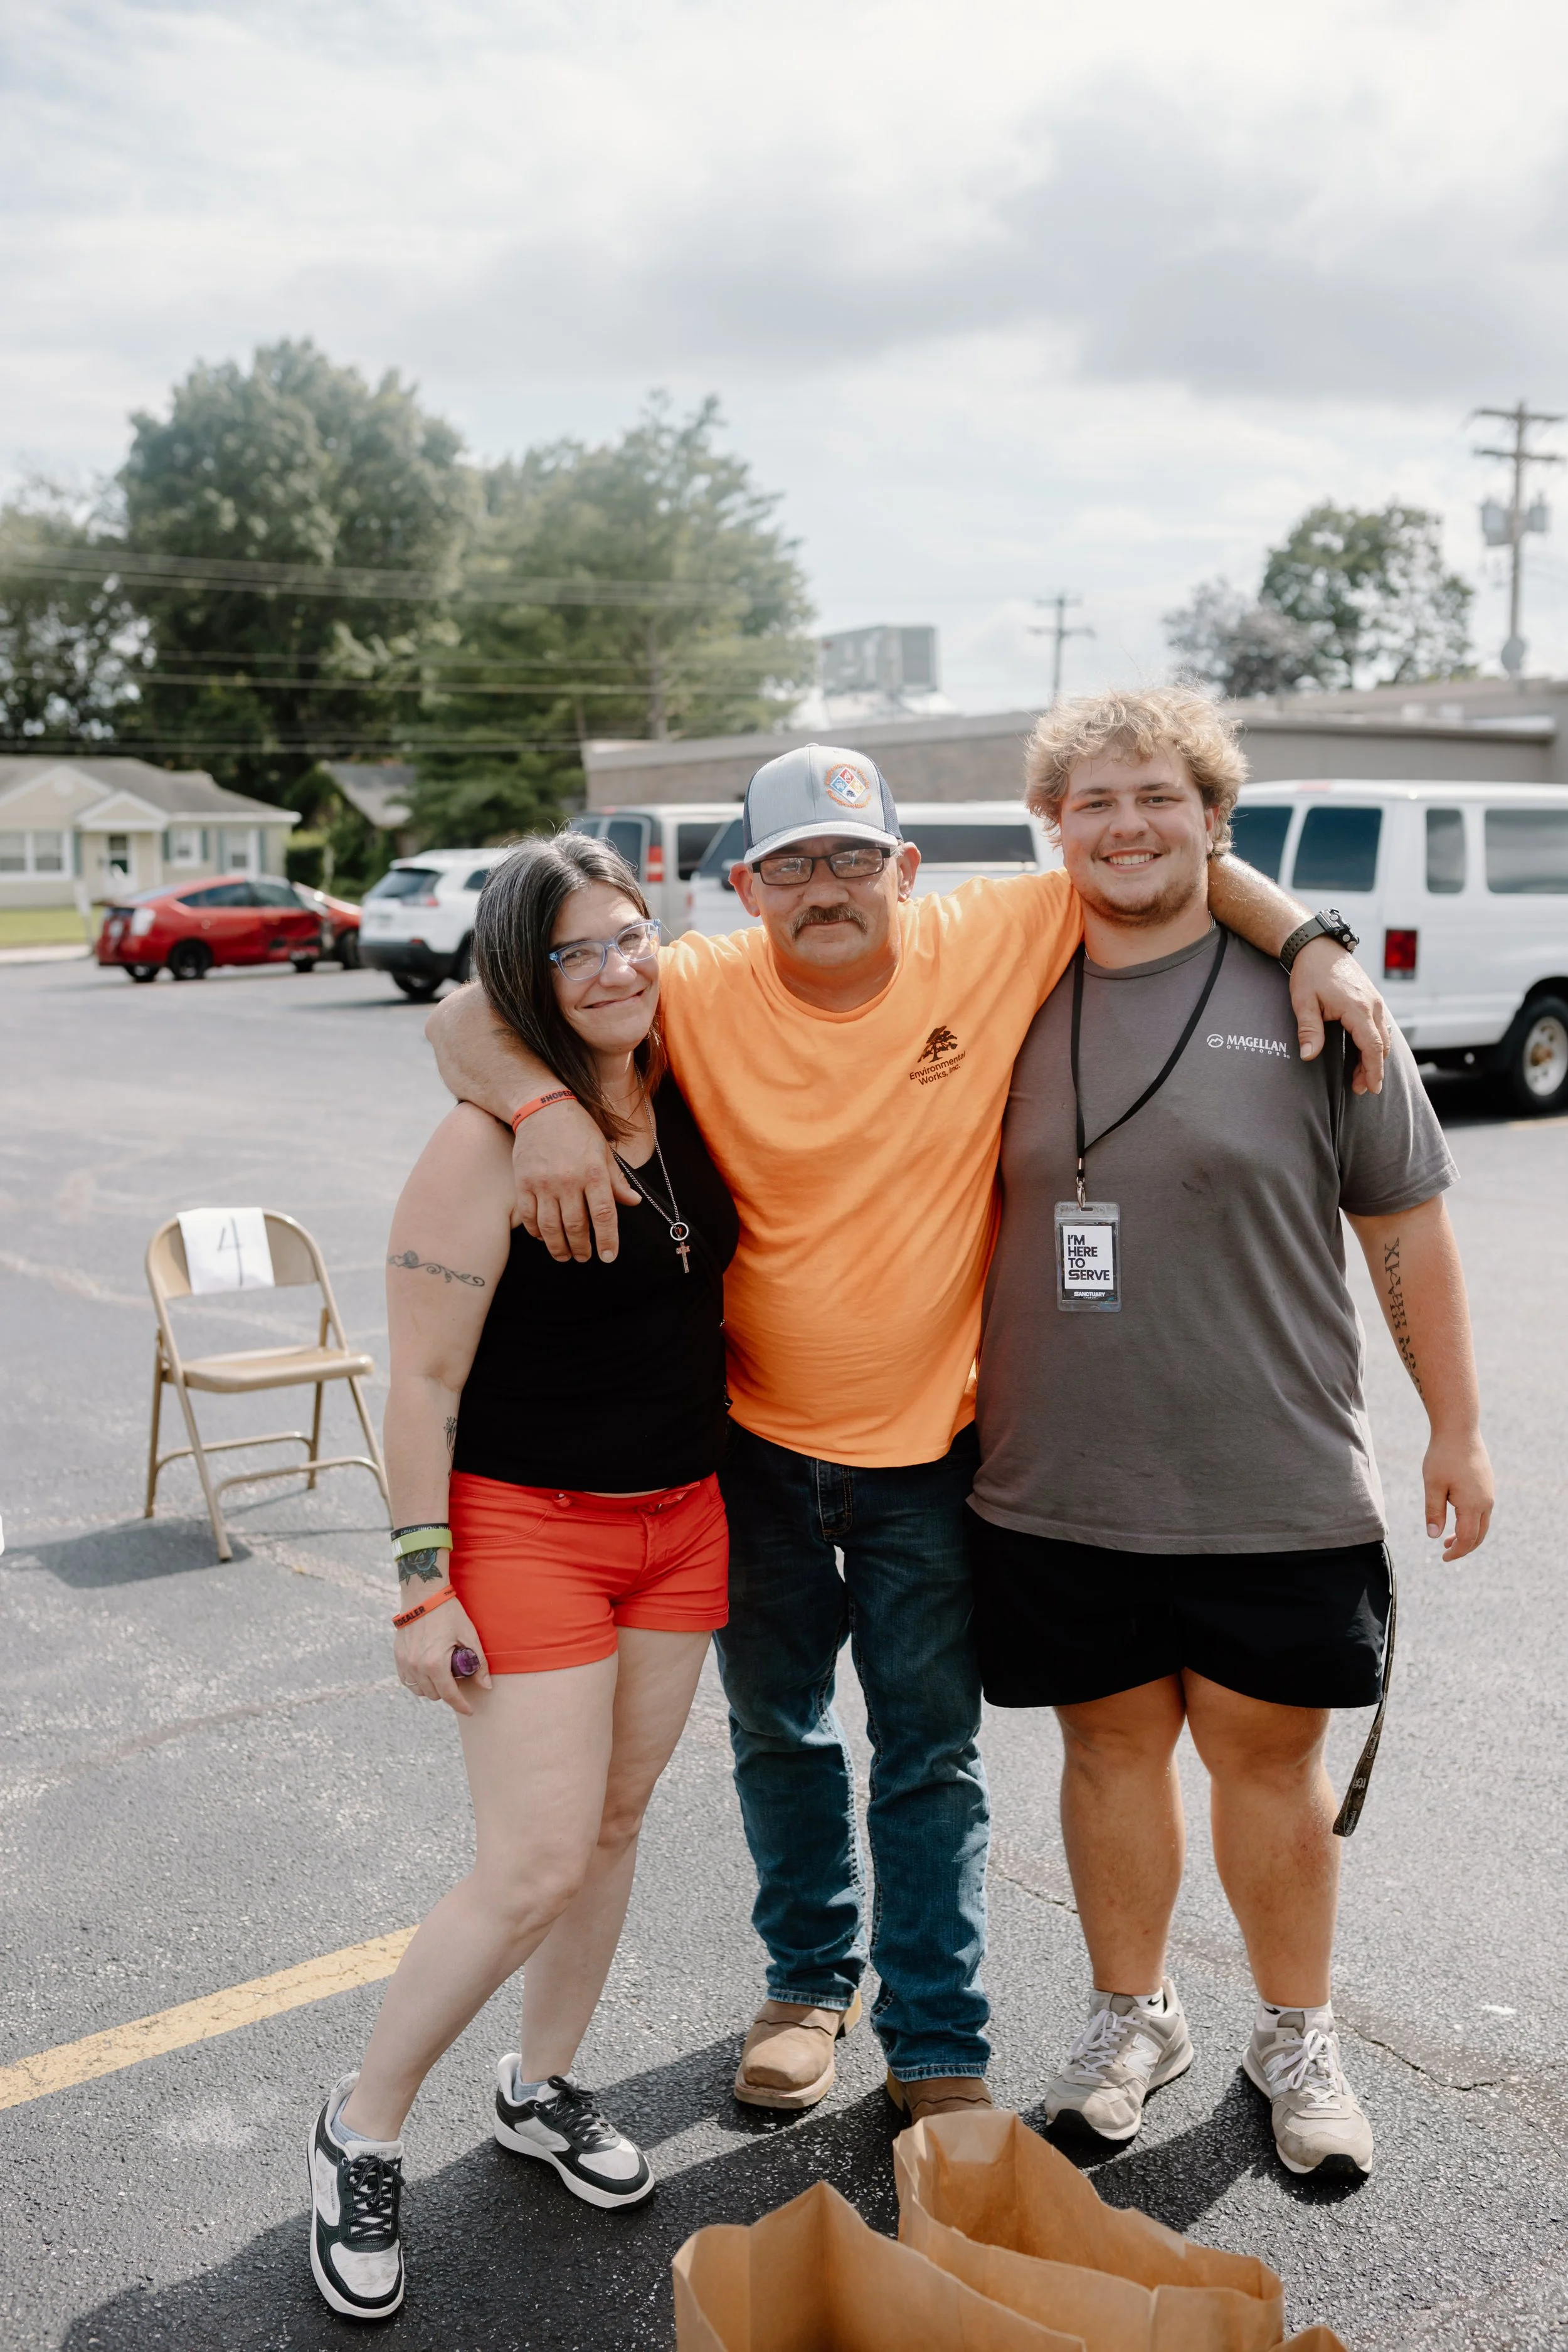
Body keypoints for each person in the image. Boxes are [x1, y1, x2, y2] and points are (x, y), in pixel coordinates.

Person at [426, 742, 1394, 2131]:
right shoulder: (687, 986)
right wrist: (532, 1108)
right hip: (749, 1449)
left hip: (938, 1453)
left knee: (928, 1752)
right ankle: (807, 1987)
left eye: (851, 857)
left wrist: (1309, 939)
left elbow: (1155, 851)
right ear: (745, 887)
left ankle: (935, 2034)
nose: (825, 888)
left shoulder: (990, 933)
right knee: (780, 1733)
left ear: (905, 868)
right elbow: (465, 1015)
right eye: (791, 866)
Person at [967, 687, 1493, 2180]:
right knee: (1105, 1756)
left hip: (1273, 1477)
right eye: (1093, 800)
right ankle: (1133, 2017)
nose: (1125, 824)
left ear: (1213, 819)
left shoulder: (1316, 1005)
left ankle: (1295, 2034)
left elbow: (1404, 1230)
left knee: (1269, 1770)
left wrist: (1455, 1425)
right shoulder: (998, 978)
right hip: (1055, 1480)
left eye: (1156, 796)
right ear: (1049, 825)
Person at [307, 834, 737, 2322]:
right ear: (521, 976)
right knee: (531, 1862)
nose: (619, 966)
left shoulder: (682, 1087)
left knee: (611, 1829)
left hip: (683, 1526)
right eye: (577, 950)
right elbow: (418, 1385)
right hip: (527, 1531)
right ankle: (359, 2131)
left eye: (632, 935)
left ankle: (537, 2086)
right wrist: (423, 1586)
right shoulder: (484, 1140)